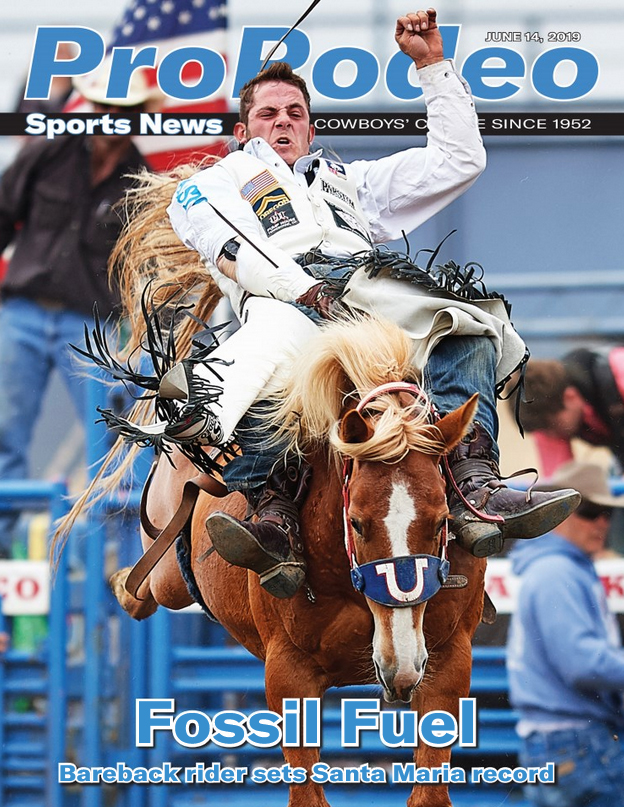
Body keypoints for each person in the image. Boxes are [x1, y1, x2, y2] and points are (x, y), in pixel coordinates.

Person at [103, 9, 578, 598]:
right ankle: (270, 514)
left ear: (309, 128)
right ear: (244, 130)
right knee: (264, 357)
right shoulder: (220, 179)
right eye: (268, 113)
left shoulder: (348, 183)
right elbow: (226, 244)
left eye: (295, 113)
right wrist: (302, 290)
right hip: (281, 300)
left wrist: (431, 65)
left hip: (368, 298)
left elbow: (460, 161)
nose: (283, 122)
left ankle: (472, 482)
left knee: (469, 327)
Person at [0, 68, 153, 557]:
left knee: (104, 445)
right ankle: (3, 557)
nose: (111, 119)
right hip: (22, 311)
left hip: (88, 326)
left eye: (122, 111)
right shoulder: (48, 150)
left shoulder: (140, 182)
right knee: (5, 433)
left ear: (136, 116)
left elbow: (142, 266)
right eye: (105, 108)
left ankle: (99, 562)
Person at [507, 461, 624, 807]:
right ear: (561, 513)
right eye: (590, 511)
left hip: (564, 743)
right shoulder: (557, 572)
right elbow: (581, 663)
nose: (602, 522)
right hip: (578, 743)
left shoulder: (556, 569)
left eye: (606, 512)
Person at [514, 347, 624, 476]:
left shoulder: (618, 372)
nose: (550, 435)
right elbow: (560, 486)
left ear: (570, 397)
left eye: (551, 427)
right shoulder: (546, 424)